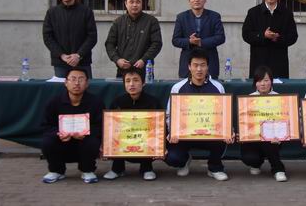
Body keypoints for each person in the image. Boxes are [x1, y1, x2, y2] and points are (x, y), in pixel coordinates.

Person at [164, 48, 233, 181]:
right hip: (184, 135)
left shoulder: (218, 87)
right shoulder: (178, 88)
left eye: (203, 65)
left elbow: (223, 114)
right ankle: (184, 161)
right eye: (195, 65)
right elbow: (169, 114)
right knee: (172, 158)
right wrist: (172, 131)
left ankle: (214, 167)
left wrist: (228, 130)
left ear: (208, 67)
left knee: (225, 135)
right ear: (189, 67)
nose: (199, 69)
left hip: (210, 134)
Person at [41, 68, 103, 184]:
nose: (77, 83)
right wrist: (58, 133)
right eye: (73, 79)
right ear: (66, 82)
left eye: (81, 79)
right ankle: (56, 171)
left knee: (93, 140)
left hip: (84, 141)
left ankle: (87, 170)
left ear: (87, 83)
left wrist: (86, 132)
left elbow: (100, 126)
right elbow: (46, 125)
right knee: (47, 141)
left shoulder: (96, 102)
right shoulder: (54, 102)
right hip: (62, 141)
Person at [103, 67, 161, 181]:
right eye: (128, 81)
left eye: (136, 80)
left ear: (143, 83)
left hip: (144, 142)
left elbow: (159, 126)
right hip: (125, 140)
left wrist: (160, 145)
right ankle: (117, 169)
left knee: (149, 135)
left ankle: (147, 168)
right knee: (116, 134)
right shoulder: (117, 103)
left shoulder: (153, 102)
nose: (131, 84)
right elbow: (110, 127)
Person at [240, 66, 288, 182]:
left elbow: (283, 121)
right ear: (255, 83)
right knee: (249, 158)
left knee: (268, 139)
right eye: (259, 80)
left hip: (273, 139)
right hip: (253, 140)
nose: (263, 84)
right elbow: (244, 123)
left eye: (266, 80)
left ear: (271, 81)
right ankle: (256, 163)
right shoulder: (248, 99)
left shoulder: (279, 98)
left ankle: (278, 169)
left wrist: (280, 136)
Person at [242, 0, 298, 78]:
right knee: (260, 85)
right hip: (258, 60)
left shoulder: (286, 13)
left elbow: (293, 36)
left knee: (280, 86)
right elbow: (246, 34)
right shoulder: (253, 12)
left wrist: (277, 38)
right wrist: (263, 35)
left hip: (279, 61)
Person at [42, 0, 97, 78]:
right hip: (61, 62)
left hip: (82, 61)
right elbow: (48, 37)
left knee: (85, 86)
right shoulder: (52, 13)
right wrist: (62, 55)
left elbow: (92, 37)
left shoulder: (86, 11)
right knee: (61, 88)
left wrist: (78, 55)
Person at [105, 0, 163, 78]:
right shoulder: (118, 22)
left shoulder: (151, 21)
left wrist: (144, 60)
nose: (135, 5)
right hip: (122, 70)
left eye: (138, 2)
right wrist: (117, 60)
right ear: (126, 4)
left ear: (142, 3)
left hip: (144, 70)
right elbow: (109, 44)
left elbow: (157, 44)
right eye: (131, 2)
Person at [172, 0, 226, 79]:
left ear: (205, 0)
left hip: (209, 62)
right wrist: (189, 41)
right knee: (187, 88)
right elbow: (175, 40)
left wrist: (201, 42)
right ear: (189, 0)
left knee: (210, 88)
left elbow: (220, 37)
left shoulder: (214, 16)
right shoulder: (181, 17)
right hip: (187, 63)